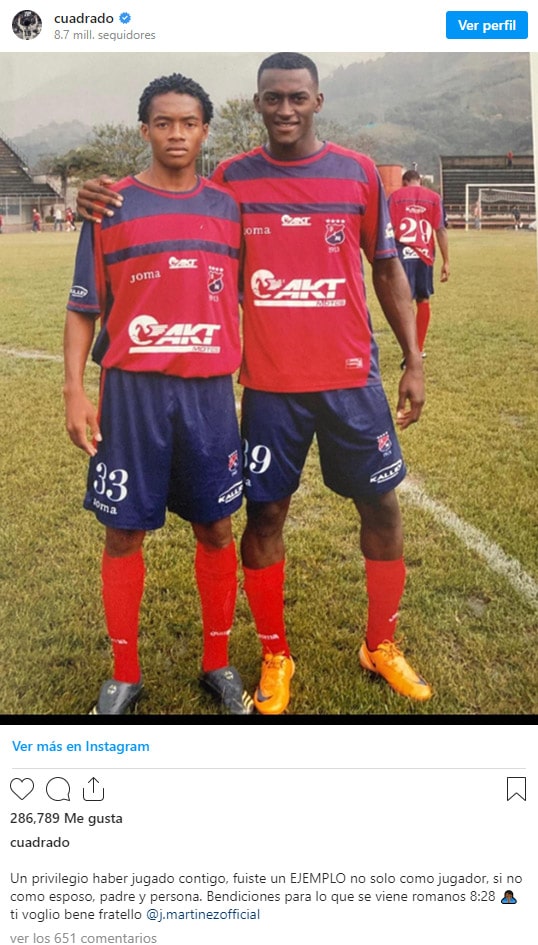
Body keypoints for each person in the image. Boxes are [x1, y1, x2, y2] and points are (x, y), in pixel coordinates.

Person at [77, 52, 431, 714]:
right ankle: (273, 653)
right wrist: (93, 196)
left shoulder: (357, 173)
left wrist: (413, 357)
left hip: (352, 379)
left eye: (298, 97)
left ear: (318, 101)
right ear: (259, 103)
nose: (286, 109)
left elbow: (387, 268)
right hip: (268, 385)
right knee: (265, 515)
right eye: (273, 98)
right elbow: (170, 195)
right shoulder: (233, 181)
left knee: (382, 508)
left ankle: (380, 643)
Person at [64, 72, 252, 716]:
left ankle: (218, 662)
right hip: (130, 397)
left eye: (189, 122)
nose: (177, 133)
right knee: (122, 533)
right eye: (164, 122)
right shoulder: (109, 205)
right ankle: (123, 673)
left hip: (207, 396)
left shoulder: (228, 207)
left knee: (217, 526)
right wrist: (74, 390)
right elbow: (83, 308)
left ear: (205, 130)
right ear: (144, 129)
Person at [388, 169, 449, 361]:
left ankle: (408, 350)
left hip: (400, 255)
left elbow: (388, 228)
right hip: (425, 254)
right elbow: (440, 230)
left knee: (403, 303)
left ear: (404, 182)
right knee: (423, 299)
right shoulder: (434, 197)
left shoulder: (395, 197)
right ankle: (418, 349)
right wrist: (446, 261)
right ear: (419, 180)